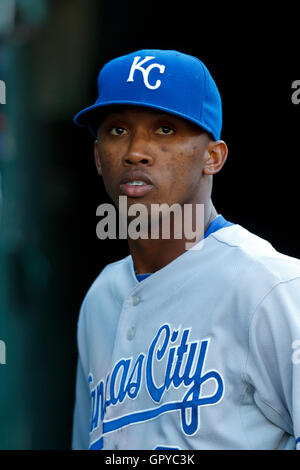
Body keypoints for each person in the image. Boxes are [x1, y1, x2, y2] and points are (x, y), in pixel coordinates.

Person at [72, 49, 300, 450]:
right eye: (117, 130)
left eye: (164, 130)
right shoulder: (100, 298)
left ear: (213, 157)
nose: (135, 151)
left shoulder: (270, 285)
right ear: (97, 157)